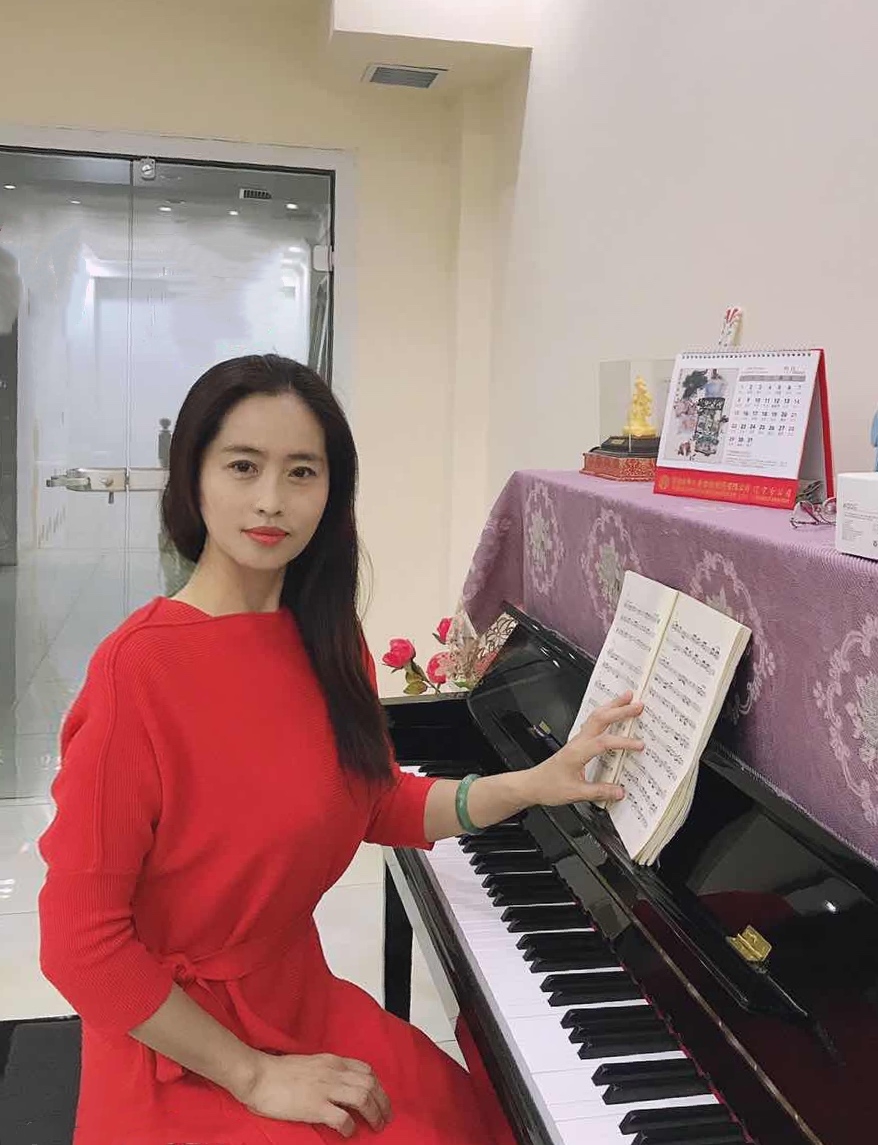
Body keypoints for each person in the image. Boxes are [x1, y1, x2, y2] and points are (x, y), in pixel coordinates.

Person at [38, 355, 643, 1145]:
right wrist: (254, 1075)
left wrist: (530, 783)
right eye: (243, 466)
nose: (271, 500)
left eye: (302, 471)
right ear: (193, 478)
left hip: (296, 1000)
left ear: (332, 489)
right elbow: (80, 945)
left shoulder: (327, 641)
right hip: (178, 1046)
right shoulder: (137, 672)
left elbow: (374, 798)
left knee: (473, 1114)